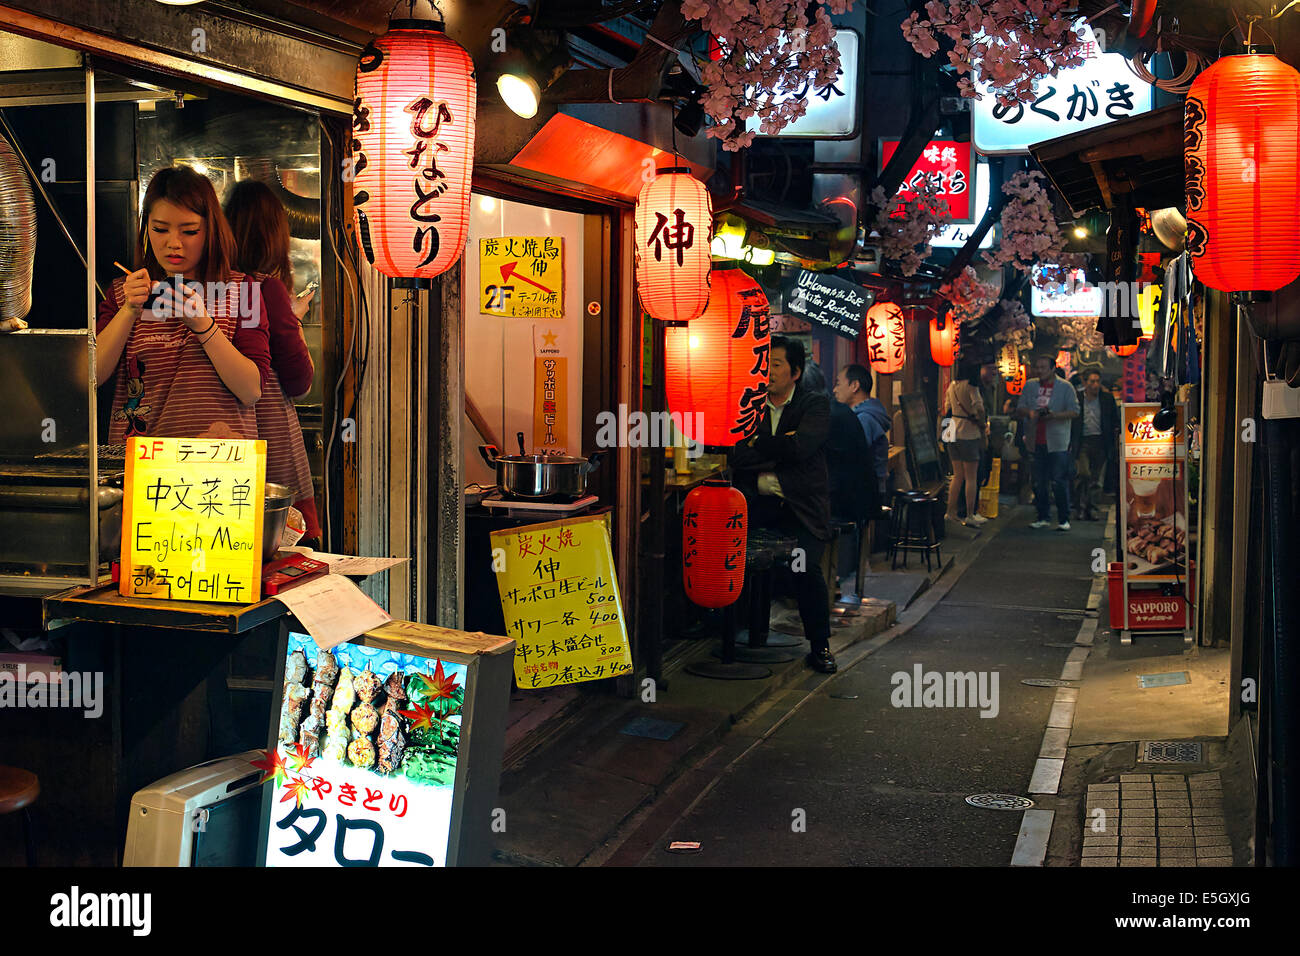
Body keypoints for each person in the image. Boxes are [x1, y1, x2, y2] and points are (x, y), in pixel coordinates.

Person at [96, 166, 269, 442]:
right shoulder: (124, 293)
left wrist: (203, 324)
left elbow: (251, 390)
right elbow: (90, 376)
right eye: (160, 229)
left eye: (189, 231)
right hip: (144, 464)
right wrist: (129, 310)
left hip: (219, 464)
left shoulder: (241, 289)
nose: (173, 243)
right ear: (146, 228)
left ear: (210, 230)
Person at [731, 337, 836, 673]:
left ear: (795, 371)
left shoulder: (814, 404)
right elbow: (737, 455)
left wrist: (759, 444)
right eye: (764, 363)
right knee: (730, 557)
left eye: (775, 364)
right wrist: (780, 447)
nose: (768, 371)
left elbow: (802, 449)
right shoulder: (749, 405)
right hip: (759, 508)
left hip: (801, 510)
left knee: (804, 570)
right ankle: (734, 638)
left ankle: (820, 647)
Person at [224, 179, 321, 542]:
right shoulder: (266, 287)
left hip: (218, 438)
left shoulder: (210, 287)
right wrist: (291, 317)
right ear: (275, 236)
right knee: (278, 540)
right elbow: (298, 379)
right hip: (267, 432)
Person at [808, 362, 875, 600]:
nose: (836, 389)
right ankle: (825, 583)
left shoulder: (827, 415)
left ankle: (815, 586)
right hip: (857, 498)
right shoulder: (839, 411)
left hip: (844, 502)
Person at [1015, 354, 1079, 530]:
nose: (1040, 371)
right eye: (1038, 367)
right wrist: (1030, 413)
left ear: (1052, 368)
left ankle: (1064, 519)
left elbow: (1075, 411)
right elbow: (1019, 407)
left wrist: (1054, 415)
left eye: (1044, 367)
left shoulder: (1065, 387)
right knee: (1038, 481)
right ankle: (1042, 516)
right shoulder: (1030, 386)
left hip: (1058, 441)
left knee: (1058, 480)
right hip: (1035, 439)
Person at [943, 360, 989, 527]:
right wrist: (982, 424)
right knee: (971, 477)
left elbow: (947, 406)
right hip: (968, 432)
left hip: (952, 430)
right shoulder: (972, 387)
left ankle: (950, 512)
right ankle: (970, 514)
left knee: (957, 475)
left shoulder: (952, 386)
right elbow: (979, 408)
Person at [833, 363, 891, 495]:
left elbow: (851, 457)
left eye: (838, 384)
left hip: (865, 493)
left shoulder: (864, 419)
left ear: (854, 386)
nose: (834, 390)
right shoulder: (866, 414)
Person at [1072, 369, 1119, 521]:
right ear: (1085, 382)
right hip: (1083, 441)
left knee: (1096, 479)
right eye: (1091, 381)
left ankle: (1092, 508)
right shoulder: (1077, 398)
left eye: (1097, 381)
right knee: (1083, 474)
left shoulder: (1107, 399)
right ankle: (1080, 506)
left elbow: (1114, 421)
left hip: (1101, 441)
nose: (1095, 384)